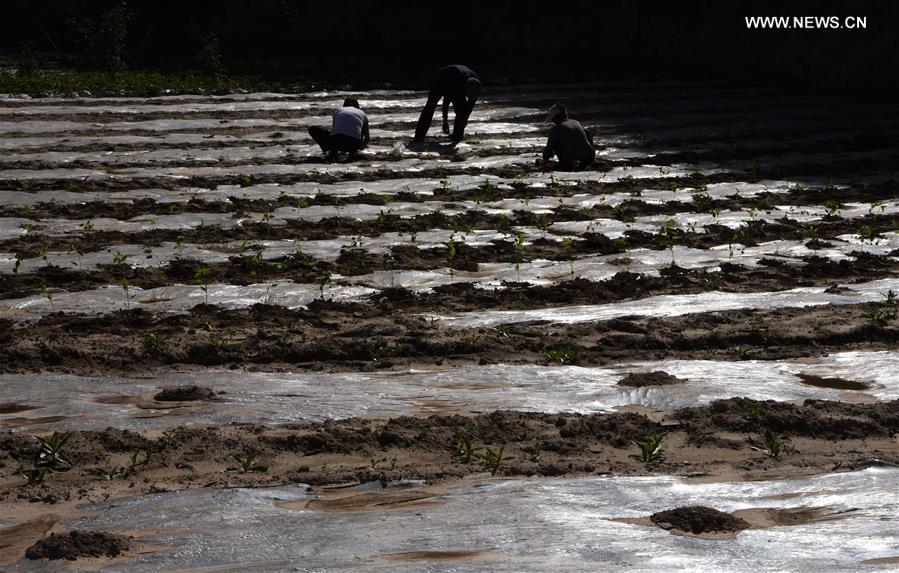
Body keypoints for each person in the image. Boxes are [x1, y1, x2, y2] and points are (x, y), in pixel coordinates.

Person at [412, 65, 482, 143]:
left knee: (461, 111)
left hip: (458, 79)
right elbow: (446, 100)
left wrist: (465, 118)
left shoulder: (476, 85)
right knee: (430, 107)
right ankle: (418, 137)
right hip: (440, 79)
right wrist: (445, 120)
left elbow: (469, 106)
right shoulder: (455, 83)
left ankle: (457, 136)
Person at [541, 103, 596, 171]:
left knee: (555, 144)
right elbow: (588, 133)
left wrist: (544, 163)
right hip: (590, 157)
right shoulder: (575, 122)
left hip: (572, 162)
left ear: (555, 118)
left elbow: (548, 150)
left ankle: (566, 164)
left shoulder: (556, 129)